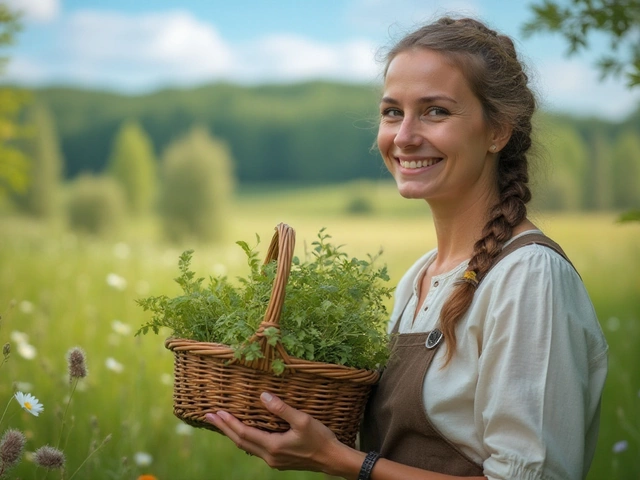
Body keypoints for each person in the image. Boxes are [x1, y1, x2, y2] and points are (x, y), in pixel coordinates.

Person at [205, 16, 608, 480]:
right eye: (393, 111)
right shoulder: (419, 277)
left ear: (498, 131)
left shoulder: (530, 276)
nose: (404, 136)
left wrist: (339, 461)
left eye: (435, 111)